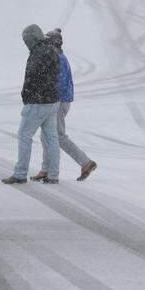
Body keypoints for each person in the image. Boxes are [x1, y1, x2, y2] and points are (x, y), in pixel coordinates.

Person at [34, 28, 98, 182]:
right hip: (61, 100)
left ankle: (85, 162)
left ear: (52, 43)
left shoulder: (57, 59)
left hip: (59, 101)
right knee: (46, 135)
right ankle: (45, 169)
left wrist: (49, 98)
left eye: (47, 41)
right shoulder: (58, 56)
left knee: (58, 136)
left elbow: (59, 83)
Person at [2, 24, 61, 185]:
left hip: (38, 102)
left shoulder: (38, 53)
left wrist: (27, 96)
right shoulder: (53, 50)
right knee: (52, 138)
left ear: (32, 38)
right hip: (53, 101)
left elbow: (32, 77)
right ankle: (54, 175)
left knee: (24, 135)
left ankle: (20, 174)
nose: (25, 42)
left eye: (26, 39)